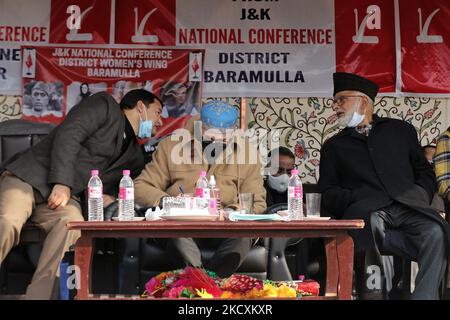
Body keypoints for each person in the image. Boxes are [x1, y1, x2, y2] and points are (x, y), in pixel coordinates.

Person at [0, 89, 163, 299]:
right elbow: (70, 133)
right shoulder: (104, 105)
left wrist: (111, 198)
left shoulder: (134, 154)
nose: (160, 122)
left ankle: (38, 296)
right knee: (8, 220)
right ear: (140, 106)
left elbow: (122, 186)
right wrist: (62, 182)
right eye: (158, 112)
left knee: (72, 225)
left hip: (67, 199)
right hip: (30, 178)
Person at [318, 72, 449, 300]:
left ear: (363, 101)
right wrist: (355, 198)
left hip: (408, 207)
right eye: (334, 101)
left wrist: (417, 194)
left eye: (341, 99)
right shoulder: (334, 146)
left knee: (436, 232)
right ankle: (376, 294)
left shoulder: (400, 131)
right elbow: (327, 192)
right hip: (368, 214)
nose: (335, 106)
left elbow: (425, 172)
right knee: (369, 229)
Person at [134, 100, 266, 277]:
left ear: (234, 131)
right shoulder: (171, 146)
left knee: (244, 235)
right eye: (209, 134)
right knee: (174, 232)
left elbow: (257, 203)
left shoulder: (248, 153)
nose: (215, 141)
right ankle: (203, 283)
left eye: (223, 136)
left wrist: (231, 211)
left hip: (226, 226)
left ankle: (206, 285)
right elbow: (139, 187)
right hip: (183, 224)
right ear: (199, 126)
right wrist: (173, 203)